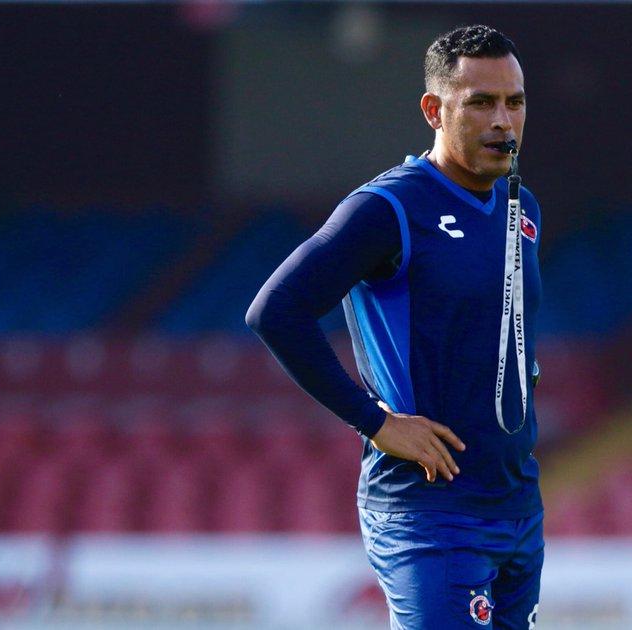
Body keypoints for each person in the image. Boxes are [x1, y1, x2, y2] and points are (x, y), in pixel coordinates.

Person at [245, 25, 543, 629]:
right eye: (481, 102)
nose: (503, 122)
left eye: (514, 102)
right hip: (429, 512)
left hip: (516, 505)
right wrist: (375, 422)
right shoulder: (387, 209)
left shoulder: (523, 207)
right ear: (434, 110)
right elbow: (276, 311)